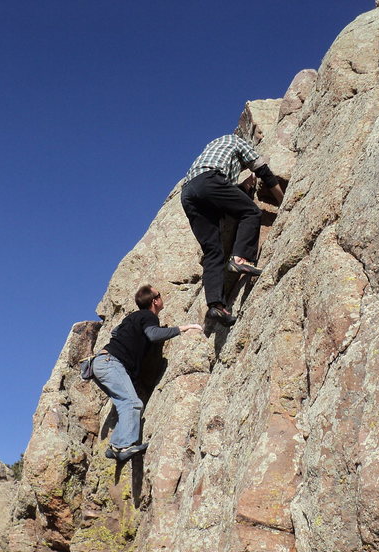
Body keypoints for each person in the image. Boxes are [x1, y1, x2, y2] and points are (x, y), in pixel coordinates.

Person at [181, 134, 285, 327]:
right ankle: (240, 258)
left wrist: (240, 188)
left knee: (213, 250)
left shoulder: (212, 146)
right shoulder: (238, 141)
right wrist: (282, 201)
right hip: (210, 180)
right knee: (250, 212)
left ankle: (216, 306)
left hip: (188, 193)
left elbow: (218, 193)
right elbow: (263, 171)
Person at [92, 284, 202, 461]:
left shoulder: (133, 317)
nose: (162, 297)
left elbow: (115, 331)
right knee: (132, 402)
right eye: (160, 295)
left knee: (123, 402)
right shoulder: (148, 316)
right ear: (155, 301)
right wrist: (182, 328)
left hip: (102, 362)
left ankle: (116, 446)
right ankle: (123, 446)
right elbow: (153, 335)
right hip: (111, 362)